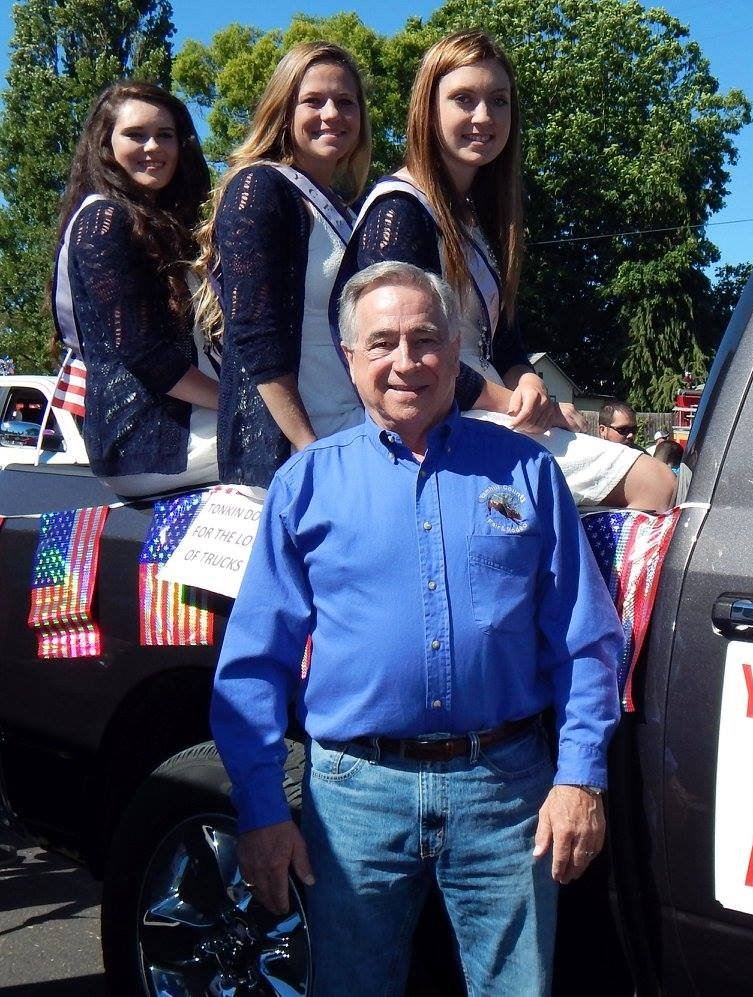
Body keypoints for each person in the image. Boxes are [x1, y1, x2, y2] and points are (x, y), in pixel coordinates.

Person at [211, 260, 623, 996]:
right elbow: (254, 665)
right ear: (350, 359)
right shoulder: (305, 484)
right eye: (383, 343)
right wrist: (262, 807)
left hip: (507, 791)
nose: (406, 361)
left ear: (456, 345)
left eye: (426, 339)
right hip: (354, 796)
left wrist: (580, 775)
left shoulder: (528, 474)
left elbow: (585, 641)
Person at [337, 30, 674, 510]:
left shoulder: (477, 216)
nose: (483, 117)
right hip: (435, 419)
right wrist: (527, 405)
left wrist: (529, 381)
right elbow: (403, 354)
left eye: (498, 101)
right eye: (463, 99)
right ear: (427, 110)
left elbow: (507, 341)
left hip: (487, 406)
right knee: (656, 484)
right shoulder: (400, 211)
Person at [194, 42, 373, 488]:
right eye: (313, 101)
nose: (332, 113)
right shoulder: (261, 187)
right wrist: (306, 445)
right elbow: (255, 333)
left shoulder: (345, 207)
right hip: (290, 449)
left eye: (345, 102)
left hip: (352, 426)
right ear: (283, 110)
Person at [53, 82, 217, 497]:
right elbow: (145, 355)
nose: (153, 147)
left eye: (166, 135)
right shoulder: (103, 221)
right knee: (303, 448)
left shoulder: (160, 224)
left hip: (181, 428)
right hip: (150, 441)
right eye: (136, 134)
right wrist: (240, 400)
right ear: (105, 145)